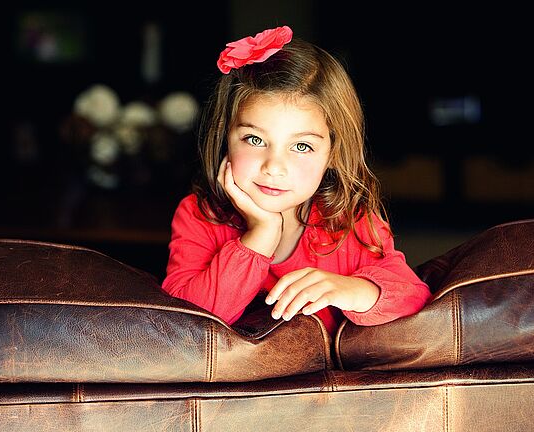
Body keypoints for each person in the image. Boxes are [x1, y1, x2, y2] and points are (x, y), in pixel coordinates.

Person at [161, 25, 432, 336]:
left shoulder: (347, 221)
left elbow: (413, 296)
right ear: (226, 138)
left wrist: (354, 289)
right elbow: (185, 321)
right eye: (254, 139)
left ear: (332, 152)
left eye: (301, 146)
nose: (274, 166)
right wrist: (261, 234)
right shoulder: (199, 214)